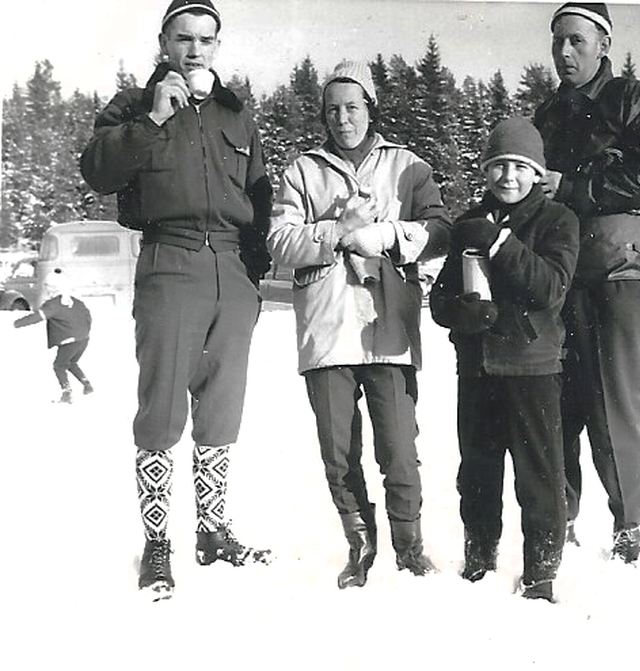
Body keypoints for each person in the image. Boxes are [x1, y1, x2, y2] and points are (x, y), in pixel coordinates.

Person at [80, 0, 273, 600]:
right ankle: (158, 544)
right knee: (162, 410)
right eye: (183, 38)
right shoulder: (133, 106)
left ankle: (212, 531)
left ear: (217, 45)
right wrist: (153, 119)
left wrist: (253, 279)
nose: (194, 50)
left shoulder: (235, 114)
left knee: (222, 408)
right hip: (171, 259)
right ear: (164, 42)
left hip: (232, 270)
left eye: (205, 40)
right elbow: (98, 172)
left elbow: (261, 197)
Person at [267, 61, 451, 588]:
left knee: (399, 448)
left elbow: (440, 229)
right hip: (327, 331)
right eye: (332, 110)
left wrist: (390, 235)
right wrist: (335, 231)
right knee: (339, 452)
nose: (342, 118)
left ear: (371, 108)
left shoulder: (407, 165)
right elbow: (279, 240)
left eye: (352, 107)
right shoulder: (303, 170)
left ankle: (410, 548)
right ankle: (360, 546)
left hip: (387, 330)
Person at [534, 2, 640, 562]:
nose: (564, 52)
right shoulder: (547, 114)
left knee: (613, 404)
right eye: (557, 41)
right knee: (556, 404)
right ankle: (560, 519)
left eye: (576, 40)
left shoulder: (630, 100)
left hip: (618, 275)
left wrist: (572, 186)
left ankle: (627, 525)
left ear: (604, 45)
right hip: (558, 279)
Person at [430, 117, 579, 602]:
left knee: (540, 477)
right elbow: (440, 299)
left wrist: (499, 243)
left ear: (537, 173)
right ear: (485, 171)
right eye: (498, 166)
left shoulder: (558, 220)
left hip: (533, 368)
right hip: (477, 370)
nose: (508, 177)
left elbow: (549, 288)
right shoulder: (469, 222)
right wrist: (461, 313)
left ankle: (540, 573)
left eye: (519, 166)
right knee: (477, 473)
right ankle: (479, 559)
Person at [13, 268, 94, 404]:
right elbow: (88, 317)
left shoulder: (54, 304)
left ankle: (67, 393)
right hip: (83, 339)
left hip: (69, 341)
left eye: (48, 287)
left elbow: (37, 317)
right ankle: (87, 385)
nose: (47, 290)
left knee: (59, 366)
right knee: (71, 363)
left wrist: (16, 323)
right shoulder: (76, 301)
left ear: (53, 288)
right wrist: (83, 332)